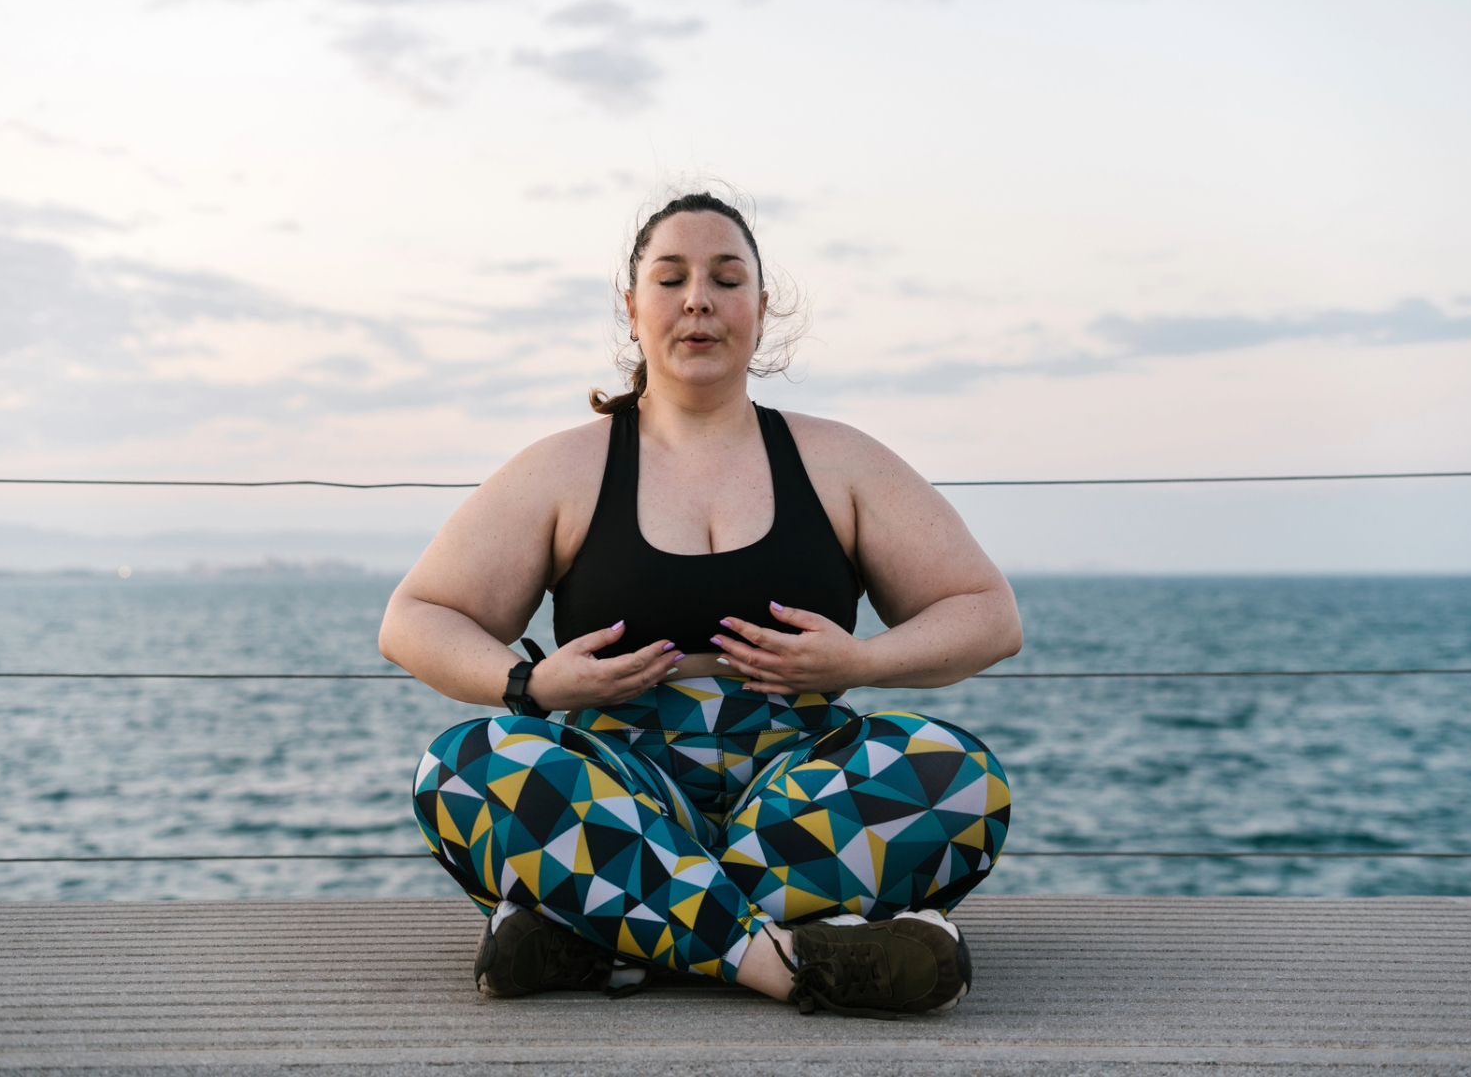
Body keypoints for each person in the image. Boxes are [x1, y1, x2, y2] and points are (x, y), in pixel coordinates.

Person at [380, 190, 1022, 1019]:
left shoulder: (841, 461)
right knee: (462, 769)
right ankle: (786, 963)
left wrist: (861, 662)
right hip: (618, 787)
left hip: (798, 792)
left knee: (958, 779)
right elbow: (416, 617)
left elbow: (987, 614)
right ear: (633, 306)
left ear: (761, 305)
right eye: (671, 278)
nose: (698, 300)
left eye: (727, 279)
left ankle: (602, 938)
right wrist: (531, 688)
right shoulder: (564, 470)